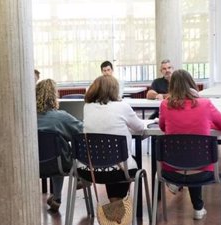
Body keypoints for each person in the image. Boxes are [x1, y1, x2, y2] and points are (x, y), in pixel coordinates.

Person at [158, 70, 221, 220]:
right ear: (192, 84)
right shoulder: (205, 104)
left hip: (171, 170)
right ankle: (198, 208)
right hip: (203, 171)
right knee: (194, 158)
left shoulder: (165, 105)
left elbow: (163, 127)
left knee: (186, 155)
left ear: (172, 87)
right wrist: (208, 122)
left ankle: (177, 185)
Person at [82, 75, 145, 199]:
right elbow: (140, 128)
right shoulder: (122, 106)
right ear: (114, 90)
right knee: (123, 160)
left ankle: (115, 204)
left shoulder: (87, 107)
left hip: (90, 170)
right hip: (118, 171)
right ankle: (118, 203)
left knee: (109, 157)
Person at [36, 79, 83, 213]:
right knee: (60, 153)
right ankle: (79, 175)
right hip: (59, 165)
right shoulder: (61, 117)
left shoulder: (28, 118)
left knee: (53, 151)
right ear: (54, 96)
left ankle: (56, 198)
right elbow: (82, 131)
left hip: (32, 165)